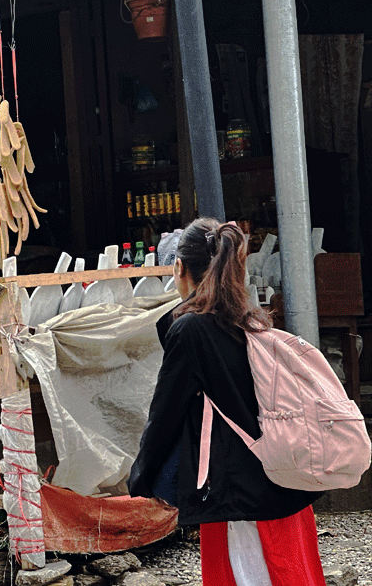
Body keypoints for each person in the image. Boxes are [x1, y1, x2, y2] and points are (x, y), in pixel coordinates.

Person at [128, 218, 326, 586]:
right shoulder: (248, 319)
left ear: (179, 268)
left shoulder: (191, 329)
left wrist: (141, 478)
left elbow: (165, 415)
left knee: (250, 576)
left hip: (240, 491)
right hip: (279, 475)